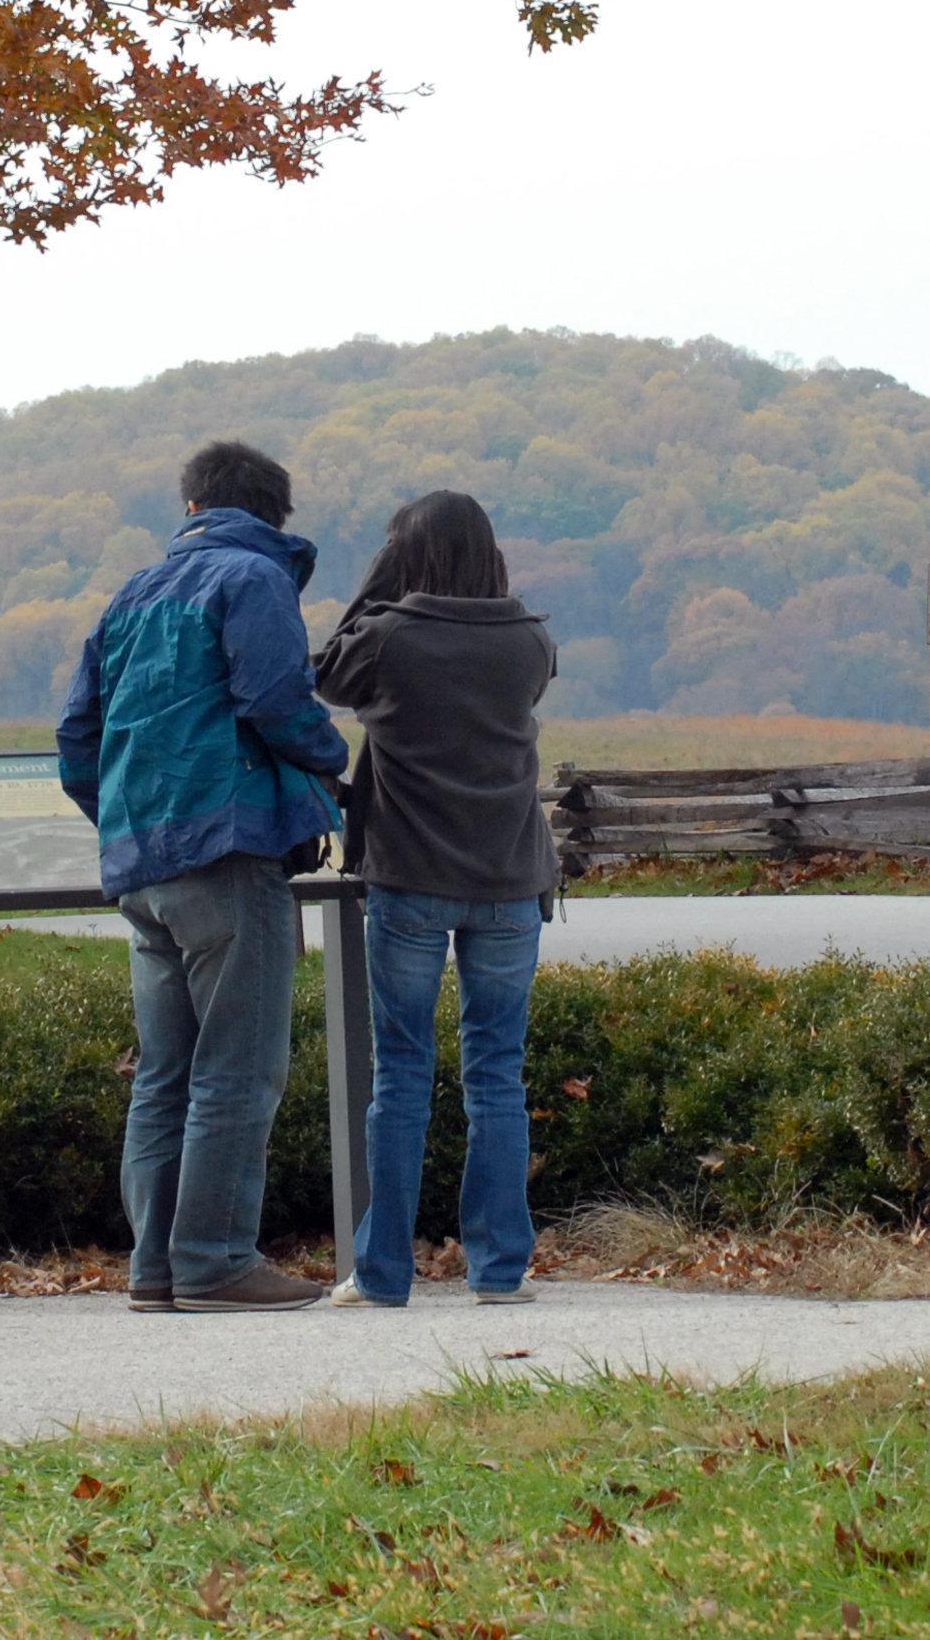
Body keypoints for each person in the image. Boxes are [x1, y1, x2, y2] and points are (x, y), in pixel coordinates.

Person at [55, 439, 349, 1313]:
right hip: (227, 853)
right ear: (273, 517)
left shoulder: (130, 596)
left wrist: (122, 818)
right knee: (238, 1066)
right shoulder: (254, 580)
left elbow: (77, 736)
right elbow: (274, 700)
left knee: (164, 1074)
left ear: (191, 507)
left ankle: (156, 1268)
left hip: (141, 867)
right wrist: (335, 765)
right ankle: (217, 1261)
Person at [310, 488, 557, 1306]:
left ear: (403, 557)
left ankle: (383, 1274)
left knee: (403, 1076)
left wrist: (381, 583)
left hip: (412, 877)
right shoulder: (529, 642)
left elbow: (326, 674)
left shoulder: (387, 638)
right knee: (498, 1075)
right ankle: (500, 1271)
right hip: (512, 880)